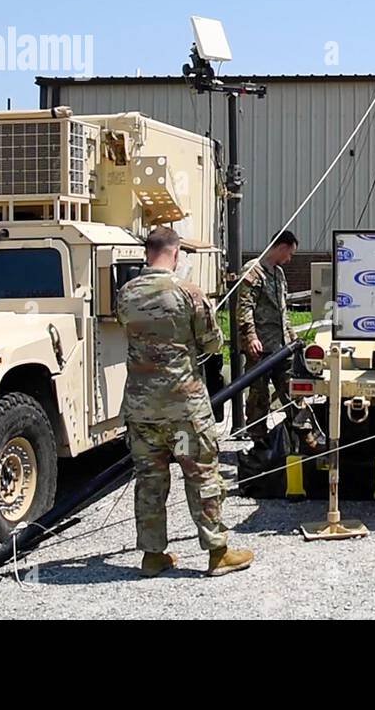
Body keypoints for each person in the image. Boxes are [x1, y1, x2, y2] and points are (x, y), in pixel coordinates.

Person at [116, 226, 254, 577]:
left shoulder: (127, 293)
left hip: (141, 408)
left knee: (149, 480)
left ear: (148, 252)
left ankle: (151, 555)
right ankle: (217, 552)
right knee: (202, 476)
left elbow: (127, 328)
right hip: (183, 409)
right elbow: (211, 342)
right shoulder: (187, 292)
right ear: (176, 254)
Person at [236, 230, 300, 446]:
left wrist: (293, 338)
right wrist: (251, 337)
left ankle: (300, 432)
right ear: (281, 247)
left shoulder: (278, 274)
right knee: (259, 396)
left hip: (281, 347)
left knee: (292, 390)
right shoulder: (254, 271)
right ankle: (259, 439)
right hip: (261, 347)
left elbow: (283, 311)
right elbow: (244, 307)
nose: (289, 259)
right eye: (289, 254)